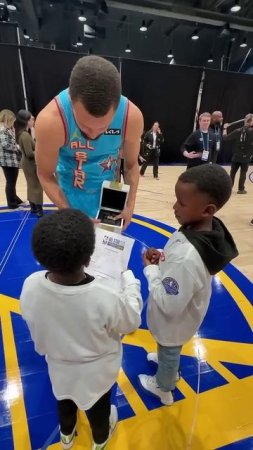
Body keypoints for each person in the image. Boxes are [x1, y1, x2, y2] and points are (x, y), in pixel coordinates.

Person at [20, 208, 143, 450]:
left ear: (41, 257)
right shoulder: (105, 295)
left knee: (64, 400)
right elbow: (131, 323)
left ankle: (67, 436)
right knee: (99, 409)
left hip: (58, 365)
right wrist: (130, 281)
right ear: (89, 258)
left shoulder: (30, 285)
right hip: (97, 372)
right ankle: (100, 439)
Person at [138, 164, 238, 405]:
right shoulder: (203, 229)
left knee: (169, 348)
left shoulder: (187, 256)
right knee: (168, 349)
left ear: (208, 209)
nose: (174, 207)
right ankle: (167, 365)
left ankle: (164, 387)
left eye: (181, 203)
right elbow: (181, 261)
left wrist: (150, 269)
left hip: (174, 320)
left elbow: (168, 304)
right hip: (183, 314)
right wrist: (163, 256)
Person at [35, 55, 143, 230]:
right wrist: (69, 212)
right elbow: (45, 174)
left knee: (108, 251)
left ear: (118, 105)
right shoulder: (51, 121)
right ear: (71, 99)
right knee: (75, 251)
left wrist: (130, 205)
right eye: (84, 126)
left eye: (103, 127)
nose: (93, 135)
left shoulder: (132, 116)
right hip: (71, 193)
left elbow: (131, 166)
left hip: (111, 191)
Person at [15, 110, 44, 217]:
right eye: (31, 119)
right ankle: (39, 210)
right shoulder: (25, 135)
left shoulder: (23, 133)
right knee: (36, 186)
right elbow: (29, 154)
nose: (33, 120)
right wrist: (40, 151)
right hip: (30, 163)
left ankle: (33, 207)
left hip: (27, 163)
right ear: (25, 121)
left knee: (31, 185)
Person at [0, 109, 25, 209]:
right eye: (12, 121)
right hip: (7, 160)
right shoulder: (2, 130)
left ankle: (15, 199)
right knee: (10, 182)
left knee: (12, 181)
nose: (13, 123)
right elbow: (5, 145)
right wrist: (17, 147)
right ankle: (12, 203)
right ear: (7, 119)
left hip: (11, 159)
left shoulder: (8, 129)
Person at [223, 113, 253, 194]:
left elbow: (225, 138)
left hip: (236, 156)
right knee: (243, 173)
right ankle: (241, 189)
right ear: (251, 122)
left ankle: (229, 188)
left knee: (232, 173)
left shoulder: (237, 131)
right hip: (246, 157)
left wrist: (225, 128)